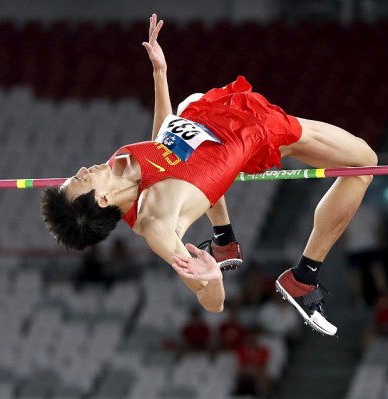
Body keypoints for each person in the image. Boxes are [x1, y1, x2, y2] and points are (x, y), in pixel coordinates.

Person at [40, 14, 377, 335]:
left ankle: (225, 240)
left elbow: (164, 140)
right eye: (82, 179)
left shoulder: (119, 161)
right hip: (252, 135)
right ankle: (303, 277)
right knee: (365, 162)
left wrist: (160, 72)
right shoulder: (157, 225)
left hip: (215, 120)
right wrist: (213, 279)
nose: (83, 169)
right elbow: (212, 304)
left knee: (189, 105)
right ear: (101, 199)